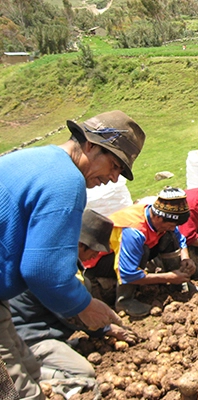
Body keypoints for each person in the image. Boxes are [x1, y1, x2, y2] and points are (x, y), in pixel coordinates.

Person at [0, 110, 145, 400]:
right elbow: (43, 270)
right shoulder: (66, 180)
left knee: (29, 369)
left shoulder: (34, 160)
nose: (113, 178)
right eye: (114, 164)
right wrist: (84, 306)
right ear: (90, 144)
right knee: (15, 392)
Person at [10, 210, 137, 398]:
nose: (94, 256)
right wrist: (107, 329)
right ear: (81, 245)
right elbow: (71, 314)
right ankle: (23, 374)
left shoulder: (56, 254)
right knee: (83, 373)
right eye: (94, 251)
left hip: (41, 327)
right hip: (29, 336)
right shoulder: (54, 268)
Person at [84, 187, 196, 317]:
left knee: (169, 236)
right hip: (98, 263)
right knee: (142, 250)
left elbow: (179, 237)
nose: (173, 228)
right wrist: (168, 277)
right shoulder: (133, 232)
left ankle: (178, 284)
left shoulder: (157, 214)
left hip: (127, 253)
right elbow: (128, 273)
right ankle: (124, 301)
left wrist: (185, 258)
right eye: (171, 225)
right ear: (159, 219)